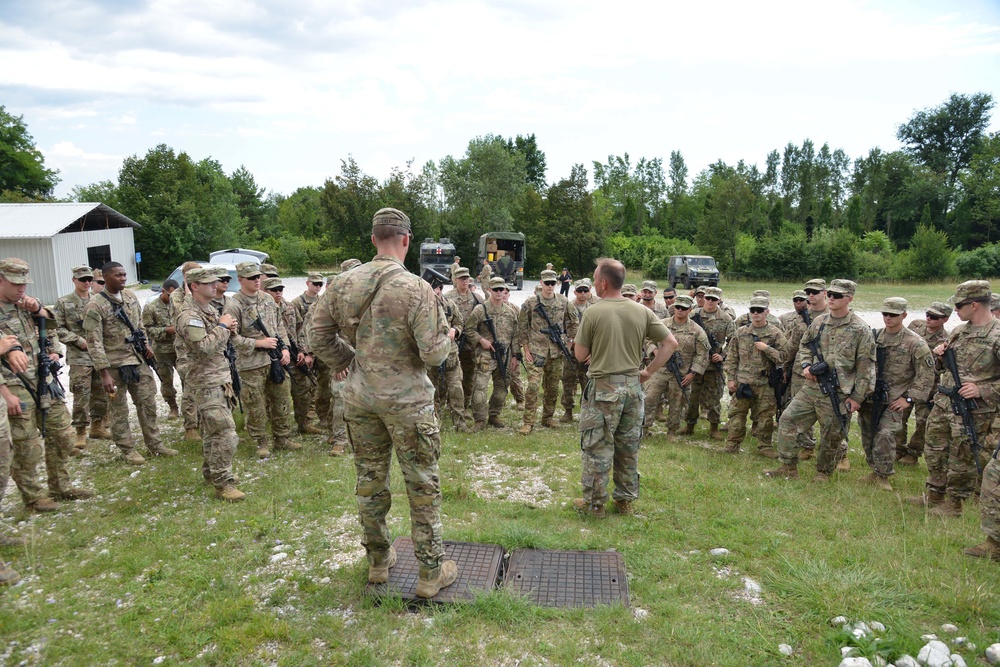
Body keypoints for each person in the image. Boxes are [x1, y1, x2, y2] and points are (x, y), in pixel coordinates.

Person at [309, 207, 457, 598]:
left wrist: (349, 362)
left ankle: (378, 562)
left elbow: (317, 336)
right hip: (408, 402)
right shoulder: (416, 288)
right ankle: (429, 572)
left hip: (360, 399)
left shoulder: (342, 283)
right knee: (422, 485)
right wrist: (449, 336)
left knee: (370, 482)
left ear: (374, 238)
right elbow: (434, 354)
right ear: (406, 239)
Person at [573, 258, 677, 517]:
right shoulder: (641, 310)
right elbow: (670, 343)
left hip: (604, 387)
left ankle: (595, 504)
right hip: (632, 388)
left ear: (604, 283)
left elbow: (579, 354)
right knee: (628, 447)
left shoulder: (593, 312)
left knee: (597, 446)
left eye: (596, 280)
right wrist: (648, 372)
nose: (595, 284)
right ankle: (625, 501)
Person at [0, 258, 92, 512]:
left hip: (44, 380)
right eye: (15, 283)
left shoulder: (26, 305)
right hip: (13, 385)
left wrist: (41, 313)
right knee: (26, 444)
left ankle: (60, 486)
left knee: (63, 434)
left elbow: (52, 329)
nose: (21, 289)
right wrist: (5, 394)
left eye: (24, 284)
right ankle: (33, 498)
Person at [766, 279, 875, 481]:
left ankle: (823, 472)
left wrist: (857, 398)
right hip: (812, 387)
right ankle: (788, 466)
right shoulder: (819, 322)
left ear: (849, 299)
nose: (832, 298)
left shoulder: (860, 329)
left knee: (831, 435)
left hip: (838, 392)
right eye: (830, 294)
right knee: (788, 419)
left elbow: (866, 367)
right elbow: (805, 345)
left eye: (837, 296)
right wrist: (807, 365)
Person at [908, 281, 1000, 517]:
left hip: (973, 409)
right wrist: (940, 356)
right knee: (934, 447)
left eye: (959, 305)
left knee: (963, 455)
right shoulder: (960, 331)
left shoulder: (996, 335)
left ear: (975, 305)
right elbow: (948, 368)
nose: (956, 310)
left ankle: (954, 503)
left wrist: (984, 390)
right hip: (944, 401)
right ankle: (935, 493)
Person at [84, 261, 177, 465]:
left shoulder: (130, 297)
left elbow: (139, 325)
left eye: (125, 274)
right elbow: (94, 341)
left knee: (148, 402)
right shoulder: (95, 306)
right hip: (114, 365)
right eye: (118, 275)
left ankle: (154, 444)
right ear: (106, 277)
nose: (123, 278)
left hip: (137, 359)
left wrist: (146, 345)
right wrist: (104, 372)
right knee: (119, 409)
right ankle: (127, 450)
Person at [174, 267, 245, 501]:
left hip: (218, 377)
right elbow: (203, 347)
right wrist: (223, 327)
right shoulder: (190, 315)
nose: (215, 286)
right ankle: (223, 483)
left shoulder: (209, 310)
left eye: (216, 282)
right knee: (225, 432)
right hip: (205, 380)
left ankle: (211, 473)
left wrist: (226, 328)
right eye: (209, 283)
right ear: (194, 286)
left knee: (212, 431)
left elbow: (219, 338)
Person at [223, 263, 301, 459]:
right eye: (251, 277)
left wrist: (284, 348)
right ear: (240, 280)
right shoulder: (234, 305)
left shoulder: (267, 298)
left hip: (275, 360)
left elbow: (278, 326)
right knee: (255, 405)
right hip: (251, 364)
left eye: (258, 276)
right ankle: (261, 442)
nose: (257, 280)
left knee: (282, 400)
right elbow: (231, 339)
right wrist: (259, 343)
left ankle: (282, 438)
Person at [856, 298, 934, 491]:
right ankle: (874, 470)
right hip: (869, 398)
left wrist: (909, 398)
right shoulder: (873, 337)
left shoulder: (915, 343)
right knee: (868, 436)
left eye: (893, 315)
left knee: (885, 435)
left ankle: (883, 475)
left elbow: (926, 375)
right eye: (885, 314)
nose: (888, 318)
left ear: (904, 316)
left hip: (893, 400)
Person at [54, 265, 109, 453]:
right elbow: (58, 329)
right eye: (82, 280)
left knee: (101, 392)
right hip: (79, 356)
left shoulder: (98, 301)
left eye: (88, 280)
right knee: (81, 392)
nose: (86, 283)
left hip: (98, 355)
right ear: (74, 281)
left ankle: (97, 426)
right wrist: (77, 340)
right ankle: (80, 432)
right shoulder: (64, 302)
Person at [723, 296, 787, 457]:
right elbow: (731, 358)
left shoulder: (775, 333)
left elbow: (784, 357)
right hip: (743, 382)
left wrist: (767, 349)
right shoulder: (741, 333)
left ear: (767, 312)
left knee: (765, 417)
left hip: (765, 383)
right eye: (753, 310)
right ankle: (732, 443)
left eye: (760, 310)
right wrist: (731, 378)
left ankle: (764, 446)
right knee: (737, 414)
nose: (756, 313)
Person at [517, 269, 579, 435]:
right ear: (541, 283)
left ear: (557, 283)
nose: (550, 286)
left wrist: (570, 342)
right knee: (533, 386)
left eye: (553, 283)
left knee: (552, 387)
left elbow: (574, 322)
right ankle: (528, 422)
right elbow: (522, 326)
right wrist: (525, 347)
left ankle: (547, 417)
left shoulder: (564, 302)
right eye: (547, 283)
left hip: (556, 351)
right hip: (536, 350)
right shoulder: (530, 303)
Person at [643, 294, 708, 439]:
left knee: (677, 402)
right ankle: (644, 428)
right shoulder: (662, 324)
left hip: (681, 373)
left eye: (684, 308)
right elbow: (647, 338)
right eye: (677, 307)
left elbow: (702, 354)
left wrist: (692, 373)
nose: (680, 310)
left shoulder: (696, 330)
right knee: (649, 398)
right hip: (659, 370)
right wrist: (655, 350)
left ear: (690, 309)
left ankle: (672, 431)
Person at [781, 279, 833, 462]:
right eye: (808, 291)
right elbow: (793, 346)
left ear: (825, 293)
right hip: (800, 372)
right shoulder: (800, 316)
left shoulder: (834, 315)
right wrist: (785, 368)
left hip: (828, 374)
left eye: (815, 291)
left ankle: (839, 453)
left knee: (831, 414)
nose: (811, 295)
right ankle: (807, 445)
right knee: (799, 412)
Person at [896, 302, 951, 465]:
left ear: (945, 320)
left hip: (928, 386)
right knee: (899, 416)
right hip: (906, 381)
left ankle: (913, 452)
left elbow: (942, 368)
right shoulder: (916, 326)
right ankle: (898, 449)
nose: (929, 318)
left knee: (922, 421)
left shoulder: (945, 340)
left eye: (934, 317)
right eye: (928, 314)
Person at [264, 277, 317, 435]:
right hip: (272, 357)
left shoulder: (289, 307)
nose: (278, 292)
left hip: (293, 355)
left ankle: (303, 423)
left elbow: (300, 330)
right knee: (278, 397)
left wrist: (303, 350)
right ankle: (278, 431)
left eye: (280, 289)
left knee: (302, 391)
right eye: (274, 290)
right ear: (266, 291)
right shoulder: (263, 308)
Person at [465, 277, 518, 431]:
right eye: (496, 289)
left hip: (504, 356)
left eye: (502, 289)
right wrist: (481, 340)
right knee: (480, 387)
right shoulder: (481, 310)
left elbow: (515, 336)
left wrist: (515, 355)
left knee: (502, 388)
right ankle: (480, 419)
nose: (499, 292)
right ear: (489, 290)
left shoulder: (510, 312)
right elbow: (469, 329)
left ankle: (494, 415)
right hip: (486, 355)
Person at [684, 286, 735, 439]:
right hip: (695, 364)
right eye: (708, 298)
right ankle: (689, 425)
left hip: (713, 366)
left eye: (714, 299)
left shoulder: (726, 319)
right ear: (703, 298)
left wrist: (723, 355)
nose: (710, 301)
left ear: (719, 300)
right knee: (692, 397)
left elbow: (733, 340)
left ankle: (714, 428)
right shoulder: (693, 315)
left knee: (714, 398)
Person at [427, 281, 469, 431]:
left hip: (450, 353)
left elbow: (460, 322)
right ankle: (434, 421)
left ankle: (459, 422)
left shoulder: (449, 305)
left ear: (440, 289)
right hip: (430, 353)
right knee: (432, 389)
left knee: (456, 387)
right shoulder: (420, 305)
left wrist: (455, 330)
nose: (432, 291)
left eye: (435, 288)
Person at [291, 272, 327, 435]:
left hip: (322, 348)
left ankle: (318, 413)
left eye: (320, 284)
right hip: (306, 348)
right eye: (315, 284)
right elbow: (299, 328)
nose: (317, 287)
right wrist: (304, 351)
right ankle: (308, 415)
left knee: (320, 383)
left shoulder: (322, 302)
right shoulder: (297, 303)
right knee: (307, 384)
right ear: (307, 283)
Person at [142, 278, 181, 420]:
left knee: (187, 379)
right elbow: (147, 330)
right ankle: (173, 407)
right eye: (170, 295)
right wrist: (166, 330)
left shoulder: (179, 305)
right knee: (166, 381)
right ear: (163, 291)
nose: (172, 298)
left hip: (180, 349)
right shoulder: (151, 307)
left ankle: (191, 409)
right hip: (162, 351)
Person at [444, 267, 480, 409]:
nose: (465, 281)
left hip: (470, 342)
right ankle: (448, 401)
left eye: (466, 278)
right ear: (455, 280)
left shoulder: (477, 298)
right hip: (453, 341)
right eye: (461, 278)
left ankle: (466, 401)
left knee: (469, 372)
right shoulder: (448, 297)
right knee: (449, 373)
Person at [560, 279, 595, 422]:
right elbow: (559, 328)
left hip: (588, 353)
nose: (582, 293)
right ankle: (568, 410)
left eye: (585, 291)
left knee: (587, 382)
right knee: (568, 381)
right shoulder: (566, 307)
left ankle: (585, 412)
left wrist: (594, 352)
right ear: (575, 292)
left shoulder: (594, 309)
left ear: (589, 292)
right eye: (579, 290)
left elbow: (600, 332)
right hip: (571, 352)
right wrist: (567, 342)